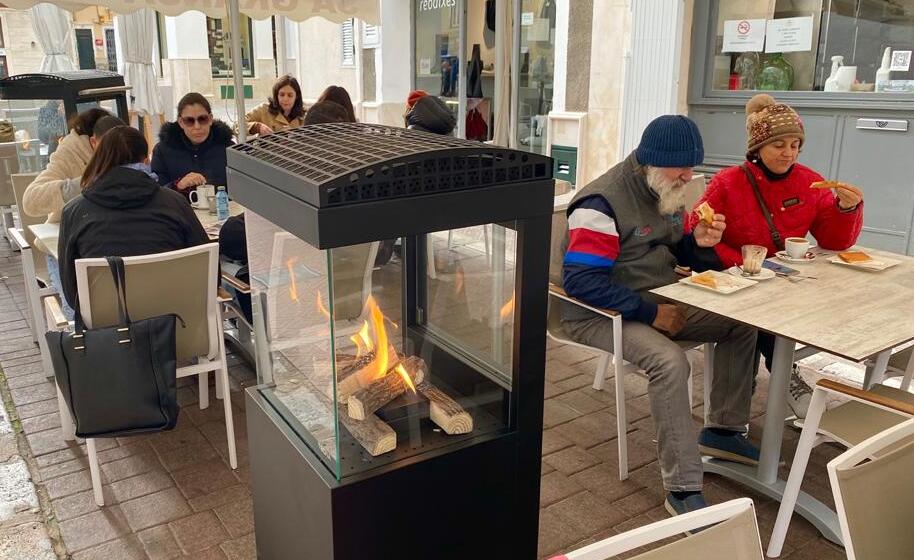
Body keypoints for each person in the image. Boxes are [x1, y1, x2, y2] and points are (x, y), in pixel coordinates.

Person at [556, 115, 759, 516]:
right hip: (600, 311)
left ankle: (723, 429)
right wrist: (651, 313)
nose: (688, 176)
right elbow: (581, 282)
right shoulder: (601, 202)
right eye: (681, 167)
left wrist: (699, 244)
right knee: (669, 362)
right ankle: (682, 487)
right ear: (651, 160)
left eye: (692, 166)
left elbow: (675, 249)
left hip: (655, 297)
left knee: (742, 324)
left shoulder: (663, 187)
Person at [689, 94, 864, 418]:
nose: (789, 153)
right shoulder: (729, 182)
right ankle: (782, 381)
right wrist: (741, 263)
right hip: (735, 278)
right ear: (758, 147)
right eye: (779, 144)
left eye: (795, 144)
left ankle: (763, 388)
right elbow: (697, 229)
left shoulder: (810, 181)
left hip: (783, 279)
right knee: (757, 320)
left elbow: (833, 240)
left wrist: (846, 208)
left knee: (809, 309)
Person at [218, 99, 355, 322]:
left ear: (305, 135)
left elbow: (243, 233)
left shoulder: (291, 175)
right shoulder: (359, 179)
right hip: (341, 286)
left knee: (231, 247)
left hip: (290, 292)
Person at [58, 126, 209, 310]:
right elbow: (209, 272)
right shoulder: (174, 203)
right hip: (177, 326)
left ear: (99, 160)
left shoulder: (74, 212)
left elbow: (71, 292)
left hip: (108, 331)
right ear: (146, 161)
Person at [23, 112, 125, 319]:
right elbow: (30, 201)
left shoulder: (126, 151)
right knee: (80, 312)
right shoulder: (71, 152)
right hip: (66, 245)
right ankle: (83, 345)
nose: (116, 155)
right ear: (94, 142)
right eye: (109, 148)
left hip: (113, 238)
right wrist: (80, 185)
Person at [151, 92, 234, 194]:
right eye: (189, 121)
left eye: (202, 119)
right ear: (181, 122)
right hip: (179, 208)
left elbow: (241, 186)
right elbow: (157, 192)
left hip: (223, 208)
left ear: (211, 119)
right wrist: (178, 185)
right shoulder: (162, 150)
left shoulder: (228, 148)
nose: (197, 126)